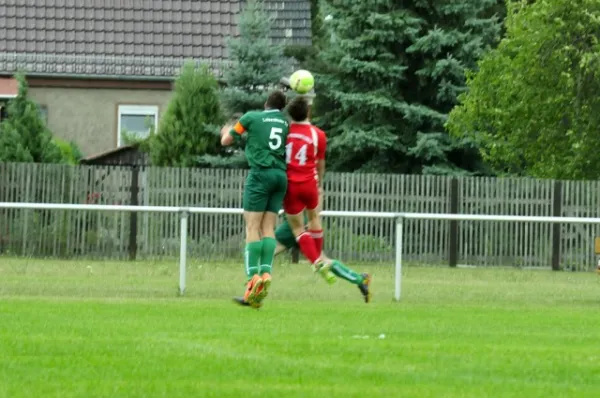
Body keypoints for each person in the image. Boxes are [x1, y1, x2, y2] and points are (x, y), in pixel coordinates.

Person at [221, 90, 289, 308]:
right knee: (268, 227)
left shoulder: (251, 117)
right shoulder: (285, 123)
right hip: (280, 176)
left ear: (265, 103)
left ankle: (252, 279)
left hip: (260, 174)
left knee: (251, 227)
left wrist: (225, 131)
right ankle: (266, 273)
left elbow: (228, 139)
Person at [282, 96, 335, 283]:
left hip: (290, 185)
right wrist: (320, 184)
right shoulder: (318, 134)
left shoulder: (285, 131)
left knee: (297, 229)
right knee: (314, 218)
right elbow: (320, 163)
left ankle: (317, 262)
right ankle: (319, 254)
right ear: (308, 112)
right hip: (309, 183)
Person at [274, 215, 372, 303]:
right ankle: (360, 279)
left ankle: (360, 280)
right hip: (299, 221)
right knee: (322, 260)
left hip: (294, 223)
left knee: (265, 253)